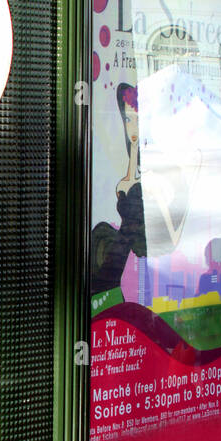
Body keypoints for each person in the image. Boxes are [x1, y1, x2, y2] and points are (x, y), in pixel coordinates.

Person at [91, 83, 147, 299]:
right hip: (124, 253)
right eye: (128, 119)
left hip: (139, 253)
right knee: (99, 235)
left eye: (137, 119)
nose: (132, 127)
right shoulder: (124, 181)